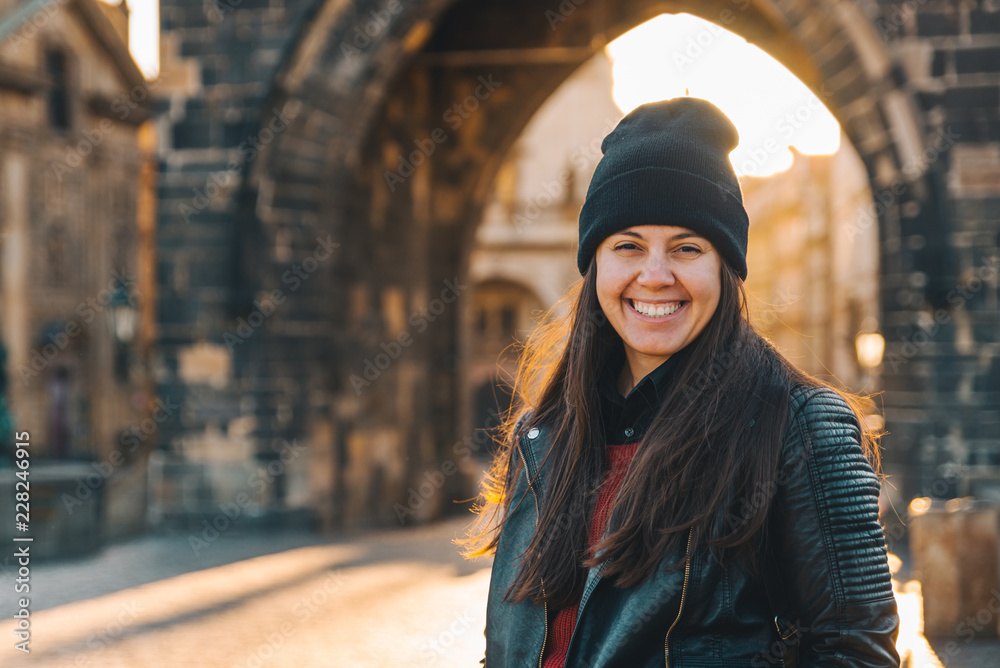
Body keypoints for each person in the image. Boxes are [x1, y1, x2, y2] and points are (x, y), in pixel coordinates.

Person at [457, 96, 900, 668]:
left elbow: (854, 653)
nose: (655, 275)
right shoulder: (542, 439)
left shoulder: (800, 426)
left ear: (726, 267)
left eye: (687, 247)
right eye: (628, 246)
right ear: (596, 266)